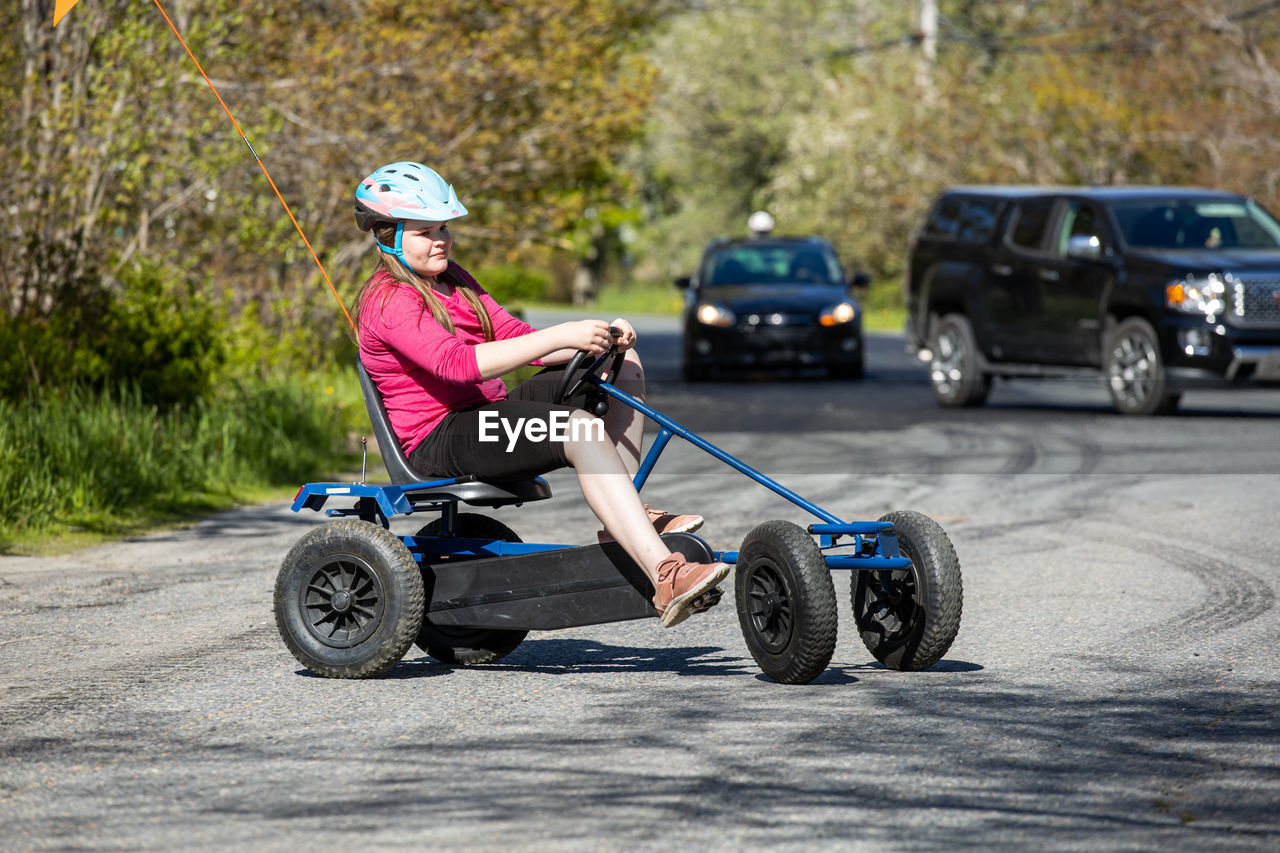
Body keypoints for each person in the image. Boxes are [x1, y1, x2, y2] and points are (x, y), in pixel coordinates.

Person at [351, 162, 728, 627]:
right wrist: (556, 337)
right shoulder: (389, 299)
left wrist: (599, 340)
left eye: (444, 228)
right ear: (387, 236)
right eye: (425, 232)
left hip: (485, 415)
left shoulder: (454, 280)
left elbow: (514, 335)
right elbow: (456, 365)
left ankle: (624, 517)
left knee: (622, 366)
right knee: (579, 429)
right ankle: (665, 575)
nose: (442, 240)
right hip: (441, 437)